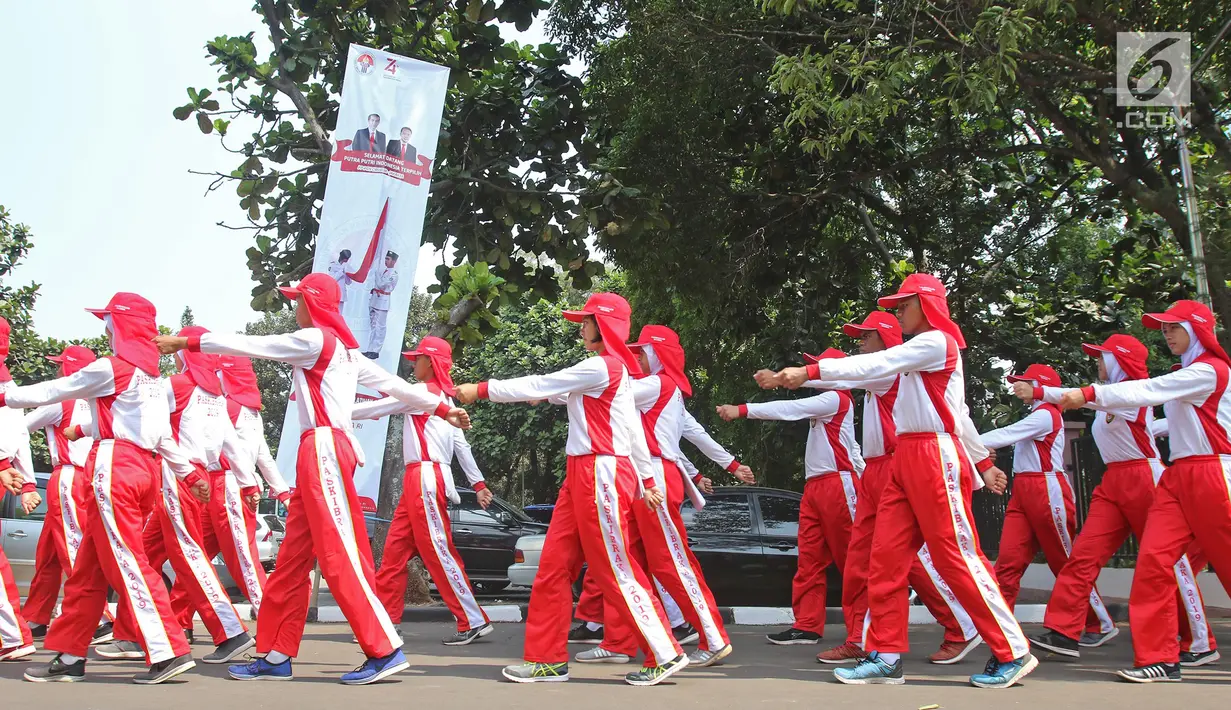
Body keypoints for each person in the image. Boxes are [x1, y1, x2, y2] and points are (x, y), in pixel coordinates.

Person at [155, 272, 469, 685]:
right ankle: (276, 653)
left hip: (323, 450)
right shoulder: (346, 352)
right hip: (319, 452)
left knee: (341, 555)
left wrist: (187, 342)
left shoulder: (316, 340)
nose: (294, 307)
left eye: (298, 299)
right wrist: (443, 409)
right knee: (289, 563)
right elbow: (396, 387)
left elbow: (254, 345)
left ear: (313, 302)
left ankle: (384, 649)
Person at [776, 273, 1036, 689]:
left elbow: (880, 364)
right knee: (886, 560)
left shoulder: (936, 343)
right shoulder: (919, 355)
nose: (898, 312)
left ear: (928, 304)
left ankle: (1013, 650)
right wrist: (984, 461)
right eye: (896, 307)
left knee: (956, 556)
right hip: (906, 459)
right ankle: (886, 655)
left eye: (904, 305)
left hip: (933, 456)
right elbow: (960, 412)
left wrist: (810, 371)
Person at [455, 292, 688, 686]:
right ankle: (547, 659)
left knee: (615, 567)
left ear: (604, 325)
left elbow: (546, 381)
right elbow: (627, 427)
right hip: (581, 474)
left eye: (586, 320)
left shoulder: (604, 367)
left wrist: (481, 389)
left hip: (602, 473)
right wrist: (646, 479)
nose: (580, 326)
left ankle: (665, 652)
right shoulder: (612, 374)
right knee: (552, 567)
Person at [758, 311, 983, 666]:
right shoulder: (895, 376)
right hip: (877, 472)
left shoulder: (888, 373)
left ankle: (962, 625)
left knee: (920, 560)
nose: (859, 343)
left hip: (902, 466)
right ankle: (865, 640)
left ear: (885, 339)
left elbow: (859, 372)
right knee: (867, 562)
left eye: (866, 336)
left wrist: (801, 376)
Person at [4, 294, 204, 684]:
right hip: (143, 469)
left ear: (121, 326)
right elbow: (162, 436)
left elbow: (55, 389)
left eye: (109, 322)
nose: (106, 329)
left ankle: (167, 650)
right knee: (88, 570)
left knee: (128, 561)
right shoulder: (151, 378)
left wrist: (4, 395)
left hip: (115, 467)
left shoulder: (112, 368)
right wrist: (188, 474)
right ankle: (69, 655)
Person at [1053, 300, 1231, 683]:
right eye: (1163, 328)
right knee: (1153, 563)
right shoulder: (1188, 373)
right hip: (1179, 477)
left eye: (1173, 327)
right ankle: (1161, 658)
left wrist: (1086, 393)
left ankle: (1193, 646)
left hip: (1213, 471)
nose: (1165, 334)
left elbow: (1150, 390)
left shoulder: (1210, 370)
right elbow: (1163, 412)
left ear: (1198, 329)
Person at [1024, 335, 1217, 665]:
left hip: (1146, 479)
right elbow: (1105, 405)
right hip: (1114, 481)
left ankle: (1199, 642)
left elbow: (1102, 400)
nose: (1097, 363)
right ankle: (1064, 631)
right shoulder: (1114, 395)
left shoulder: (1135, 392)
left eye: (1103, 358)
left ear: (1119, 360)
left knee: (1169, 564)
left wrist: (1044, 392)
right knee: (1083, 555)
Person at [571, 325, 750, 669]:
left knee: (671, 562)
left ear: (657, 354)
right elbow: (696, 434)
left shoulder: (656, 385)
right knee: (626, 562)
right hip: (638, 476)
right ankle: (620, 642)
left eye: (641, 351)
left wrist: (549, 389)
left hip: (654, 478)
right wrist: (731, 464)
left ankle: (713, 638)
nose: (635, 355)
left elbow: (603, 390)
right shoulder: (663, 391)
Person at [719, 348, 865, 649]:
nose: (812, 373)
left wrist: (743, 409)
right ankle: (808, 626)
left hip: (838, 485)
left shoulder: (836, 398)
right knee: (809, 560)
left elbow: (790, 410)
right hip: (816, 487)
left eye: (818, 368)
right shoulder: (827, 404)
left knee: (853, 561)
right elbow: (854, 452)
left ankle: (861, 634)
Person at [353, 336, 493, 646]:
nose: (413, 363)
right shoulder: (446, 401)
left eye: (417, 359)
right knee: (392, 556)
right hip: (421, 480)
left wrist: (335, 413)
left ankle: (472, 619)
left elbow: (381, 406)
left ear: (430, 363)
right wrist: (478, 484)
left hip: (424, 478)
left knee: (439, 551)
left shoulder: (420, 393)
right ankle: (386, 622)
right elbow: (462, 447)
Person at [134, 326, 255, 665]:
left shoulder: (176, 386)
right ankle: (133, 631)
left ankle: (231, 631)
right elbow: (230, 442)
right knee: (143, 553)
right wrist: (248, 483)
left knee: (188, 554)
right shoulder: (216, 395)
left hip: (178, 474)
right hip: (194, 475)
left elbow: (147, 424)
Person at [979, 364, 1116, 644]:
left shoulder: (1046, 414)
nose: (1017, 387)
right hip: (1024, 490)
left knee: (1065, 562)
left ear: (1040, 384)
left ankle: (1098, 623)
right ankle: (999, 627)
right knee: (1008, 562)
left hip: (1047, 489)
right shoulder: (1037, 414)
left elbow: (1006, 435)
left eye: (1024, 382)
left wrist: (966, 445)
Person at [20, 345, 116, 644]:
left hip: (69, 476)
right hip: (89, 474)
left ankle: (99, 618)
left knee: (72, 547)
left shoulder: (63, 400)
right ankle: (35, 617)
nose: (57, 369)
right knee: (49, 555)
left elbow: (20, 427)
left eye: (62, 365)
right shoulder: (98, 399)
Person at [0, 316, 39, 663]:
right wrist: (24, 478)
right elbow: (20, 434)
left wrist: (4, 467)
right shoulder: (8, 383)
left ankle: (12, 635)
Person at [365, 251, 399, 359]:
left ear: (394, 261)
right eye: (385, 258)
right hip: (375, 299)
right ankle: (370, 349)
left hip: (383, 301)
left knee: (380, 327)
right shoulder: (383, 271)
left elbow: (381, 285)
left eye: (388, 259)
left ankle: (376, 351)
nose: (386, 261)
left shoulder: (393, 274)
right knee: (374, 326)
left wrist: (376, 273)